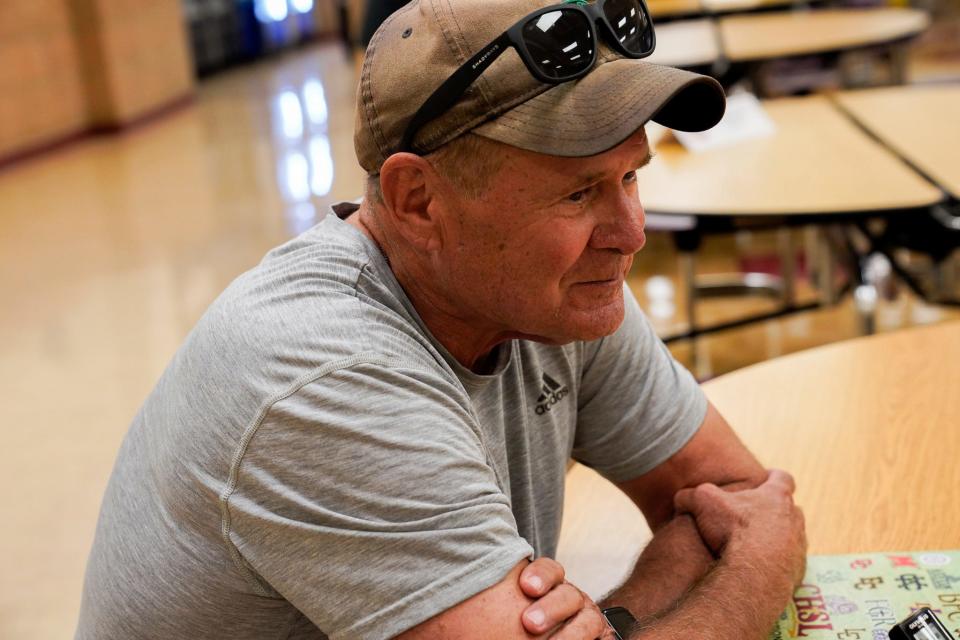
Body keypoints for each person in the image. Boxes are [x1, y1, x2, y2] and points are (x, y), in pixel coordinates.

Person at [76, 0, 807, 638]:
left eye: (630, 176)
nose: (630, 232)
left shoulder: (553, 296)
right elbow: (754, 531)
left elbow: (732, 498)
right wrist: (758, 571)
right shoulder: (321, 375)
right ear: (419, 201)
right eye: (580, 193)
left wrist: (616, 621)